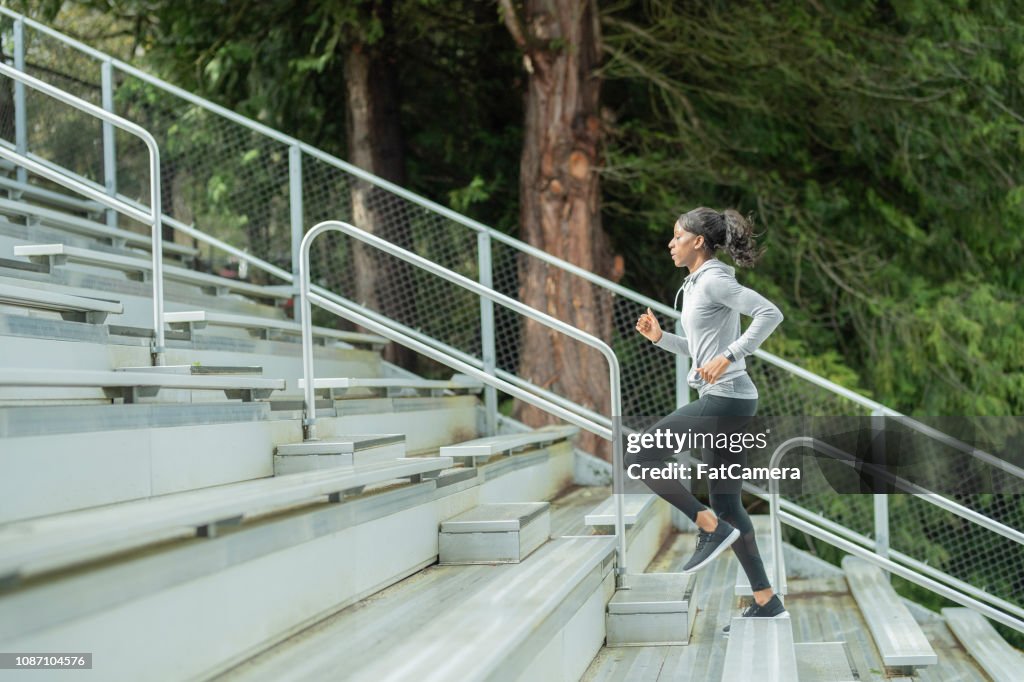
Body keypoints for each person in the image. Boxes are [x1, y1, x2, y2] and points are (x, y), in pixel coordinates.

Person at [630, 207, 787, 628]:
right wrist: (662, 339)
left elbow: (770, 314)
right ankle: (765, 597)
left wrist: (732, 354)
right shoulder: (698, 283)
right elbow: (701, 355)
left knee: (640, 457)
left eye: (677, 236)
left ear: (698, 241)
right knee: (728, 503)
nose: (670, 243)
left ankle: (707, 525)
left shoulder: (715, 279)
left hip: (726, 399)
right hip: (730, 397)